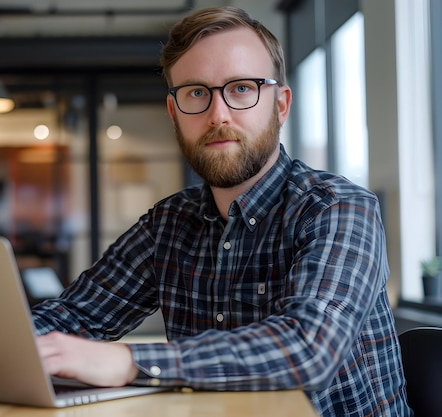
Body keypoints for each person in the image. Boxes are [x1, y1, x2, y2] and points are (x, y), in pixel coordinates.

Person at [32, 6, 411, 416]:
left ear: (280, 105)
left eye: (242, 88)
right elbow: (74, 315)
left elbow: (309, 347)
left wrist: (128, 361)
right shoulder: (168, 224)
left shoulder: (337, 208)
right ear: (175, 113)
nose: (218, 115)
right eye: (196, 92)